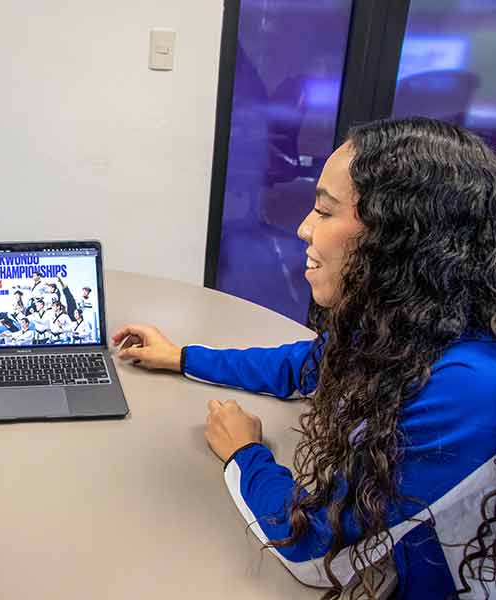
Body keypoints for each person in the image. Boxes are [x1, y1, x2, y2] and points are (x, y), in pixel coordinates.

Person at [112, 118, 496, 599]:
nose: (303, 228)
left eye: (324, 211)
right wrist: (182, 356)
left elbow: (311, 549)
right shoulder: (412, 324)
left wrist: (245, 453)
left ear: (398, 235)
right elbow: (306, 365)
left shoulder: (472, 388)